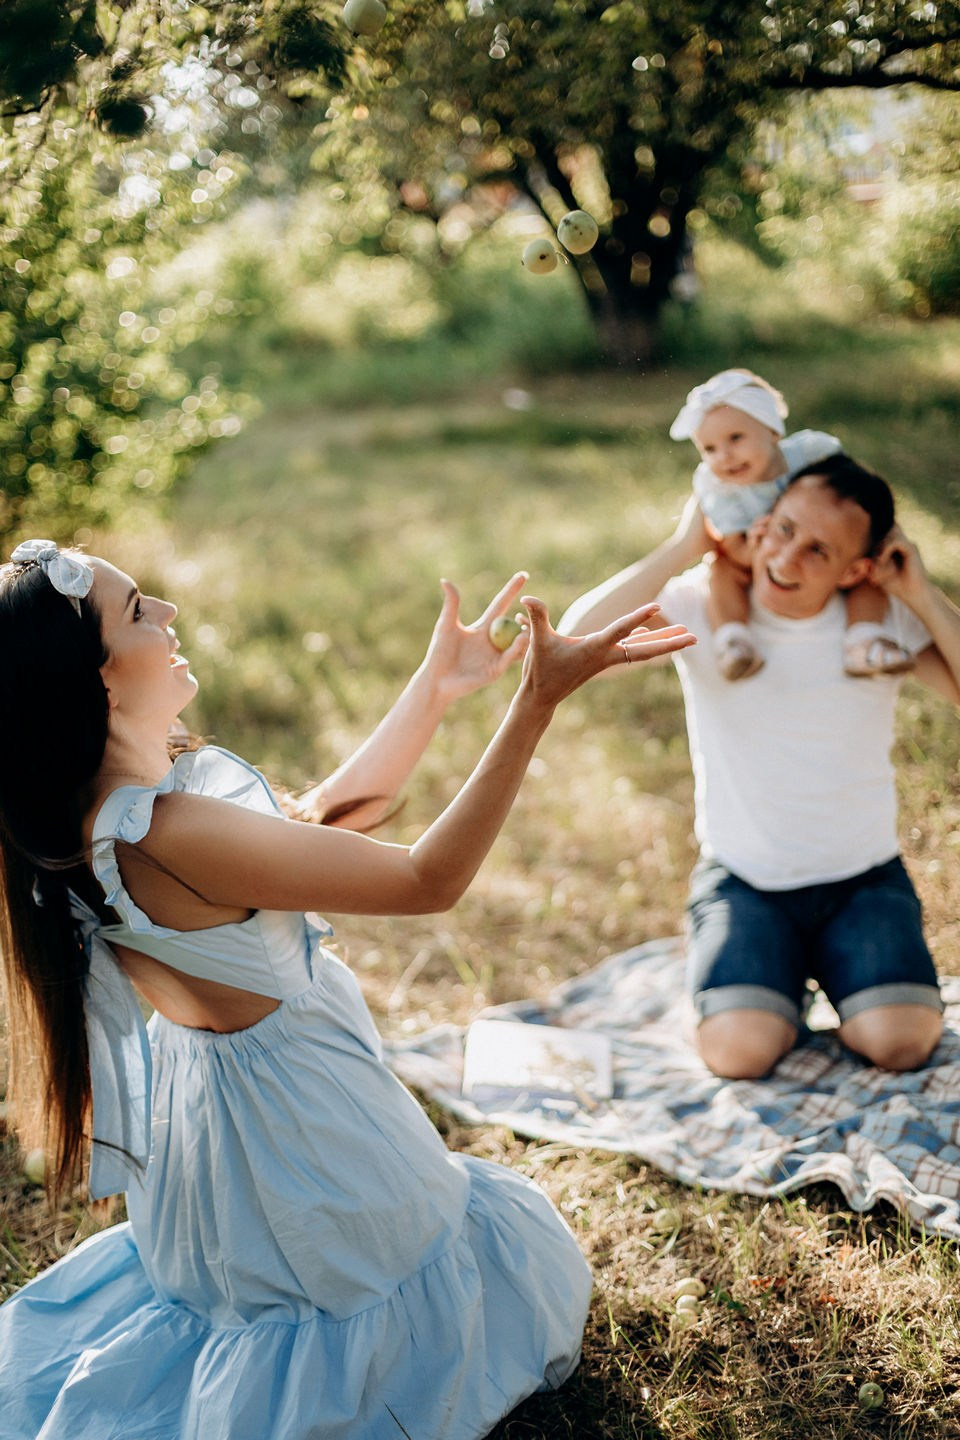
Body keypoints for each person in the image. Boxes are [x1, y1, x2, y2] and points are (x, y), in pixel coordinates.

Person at [0, 537, 694, 1440]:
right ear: (95, 683)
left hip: (223, 1117)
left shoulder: (107, 813)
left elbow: (322, 817)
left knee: (254, 1296)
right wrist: (535, 704)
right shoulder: (162, 830)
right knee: (363, 1309)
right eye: (138, 613)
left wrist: (437, 687)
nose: (167, 614)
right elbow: (424, 881)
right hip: (304, 1135)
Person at [560, 455, 960, 1080]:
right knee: (739, 1054)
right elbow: (573, 642)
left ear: (857, 567)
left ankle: (824, 973)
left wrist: (922, 594)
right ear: (764, 519)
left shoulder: (880, 624)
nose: (786, 558)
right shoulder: (703, 606)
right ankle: (769, 978)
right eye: (784, 529)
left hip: (862, 880)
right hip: (745, 880)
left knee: (901, 1044)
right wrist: (681, 545)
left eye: (818, 550)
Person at [669, 368, 914, 680]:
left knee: (867, 574)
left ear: (773, 431)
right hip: (755, 557)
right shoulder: (720, 490)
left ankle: (863, 641)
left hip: (822, 548)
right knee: (719, 570)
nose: (725, 457)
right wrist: (755, 547)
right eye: (709, 449)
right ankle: (734, 640)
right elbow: (733, 547)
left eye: (735, 438)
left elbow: (852, 488)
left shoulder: (811, 452)